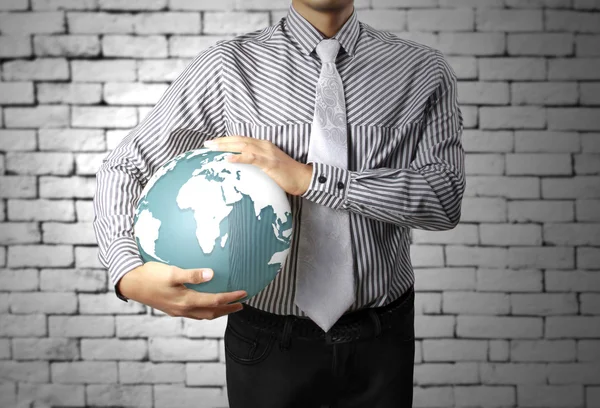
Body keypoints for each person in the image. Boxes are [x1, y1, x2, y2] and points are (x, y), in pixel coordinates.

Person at [92, 0, 466, 407]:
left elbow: (444, 198)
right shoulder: (226, 67)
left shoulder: (423, 69)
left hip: (383, 339)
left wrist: (308, 178)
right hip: (266, 342)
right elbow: (126, 164)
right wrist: (126, 270)